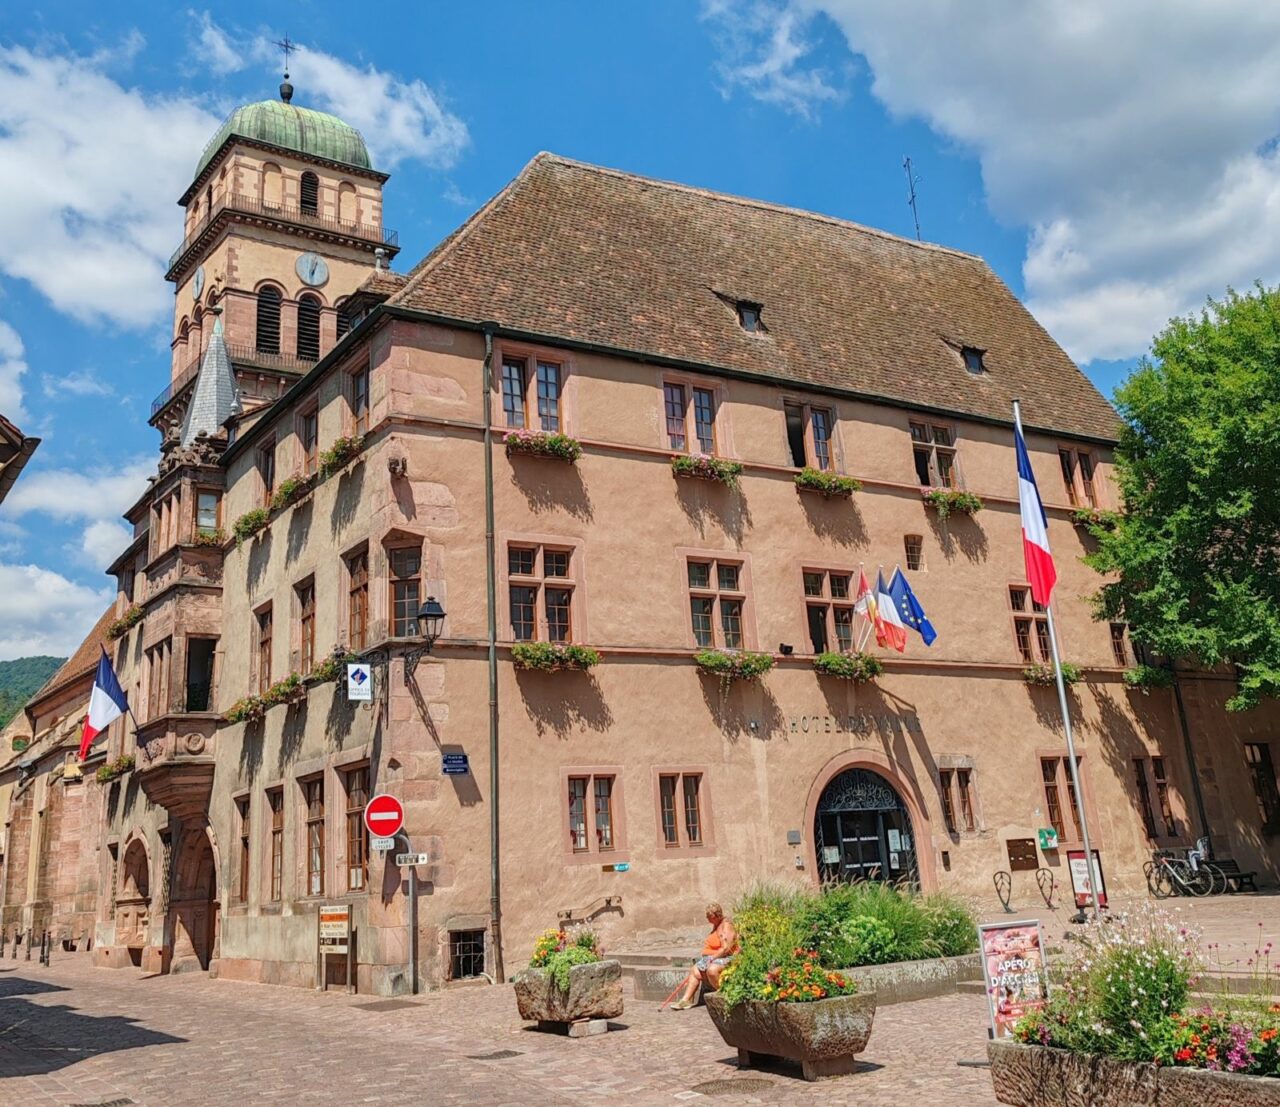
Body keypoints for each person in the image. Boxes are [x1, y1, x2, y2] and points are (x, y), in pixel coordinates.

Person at [670, 902, 738, 1010]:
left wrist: (712, 958)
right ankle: (686, 1001)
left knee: (712, 970)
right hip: (715, 958)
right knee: (695, 970)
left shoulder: (726, 926)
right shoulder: (717, 925)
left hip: (728, 959)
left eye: (710, 917)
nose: (708, 920)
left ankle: (727, 996)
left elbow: (726, 949)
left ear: (718, 916)